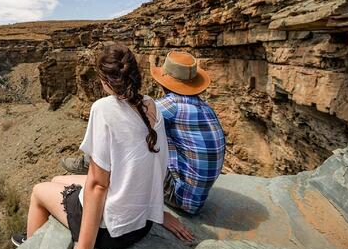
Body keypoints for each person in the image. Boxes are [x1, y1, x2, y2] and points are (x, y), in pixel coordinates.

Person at [12, 43, 191, 249]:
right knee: (58, 179)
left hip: (114, 233)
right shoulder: (151, 105)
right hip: (142, 224)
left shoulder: (103, 108)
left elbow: (98, 185)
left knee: (39, 191)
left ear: (105, 81)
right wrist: (157, 213)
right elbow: (149, 166)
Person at [61, 51, 225, 219]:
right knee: (153, 134)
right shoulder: (205, 107)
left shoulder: (171, 106)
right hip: (197, 197)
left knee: (131, 133)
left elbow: (126, 124)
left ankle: (87, 163)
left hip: (180, 196)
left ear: (165, 81)